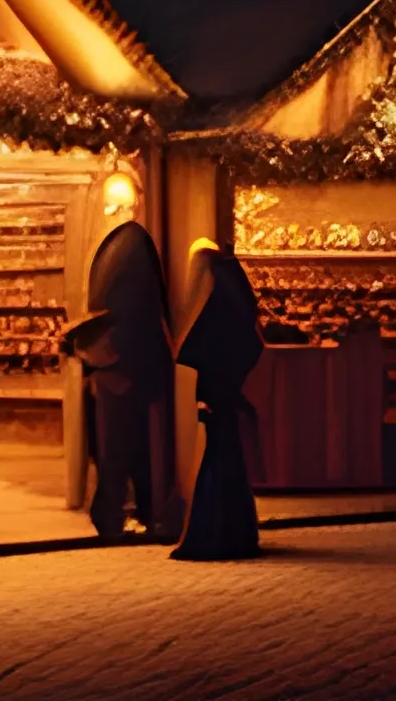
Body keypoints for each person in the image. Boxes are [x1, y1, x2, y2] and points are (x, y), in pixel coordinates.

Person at [67, 218, 176, 541]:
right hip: (128, 374)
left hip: (113, 376)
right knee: (130, 449)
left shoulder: (116, 261)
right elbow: (142, 319)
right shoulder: (134, 264)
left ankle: (118, 514)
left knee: (115, 451)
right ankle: (123, 514)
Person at [173, 240, 263, 562]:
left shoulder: (212, 310)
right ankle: (233, 533)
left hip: (215, 395)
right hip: (226, 393)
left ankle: (211, 535)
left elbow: (195, 352)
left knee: (215, 462)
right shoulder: (233, 307)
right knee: (228, 461)